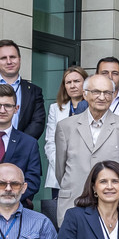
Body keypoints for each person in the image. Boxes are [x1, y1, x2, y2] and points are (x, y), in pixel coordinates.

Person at [53, 73, 119, 224]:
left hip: (111, 207)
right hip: (73, 202)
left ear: (113, 96)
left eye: (107, 93)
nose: (102, 97)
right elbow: (60, 170)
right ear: (85, 94)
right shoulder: (65, 126)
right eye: (96, 92)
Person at [43, 67, 88, 213]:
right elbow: (50, 142)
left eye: (77, 81)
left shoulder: (94, 107)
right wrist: (61, 167)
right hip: (60, 175)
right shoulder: (55, 108)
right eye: (68, 82)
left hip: (87, 172)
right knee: (62, 216)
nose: (72, 86)